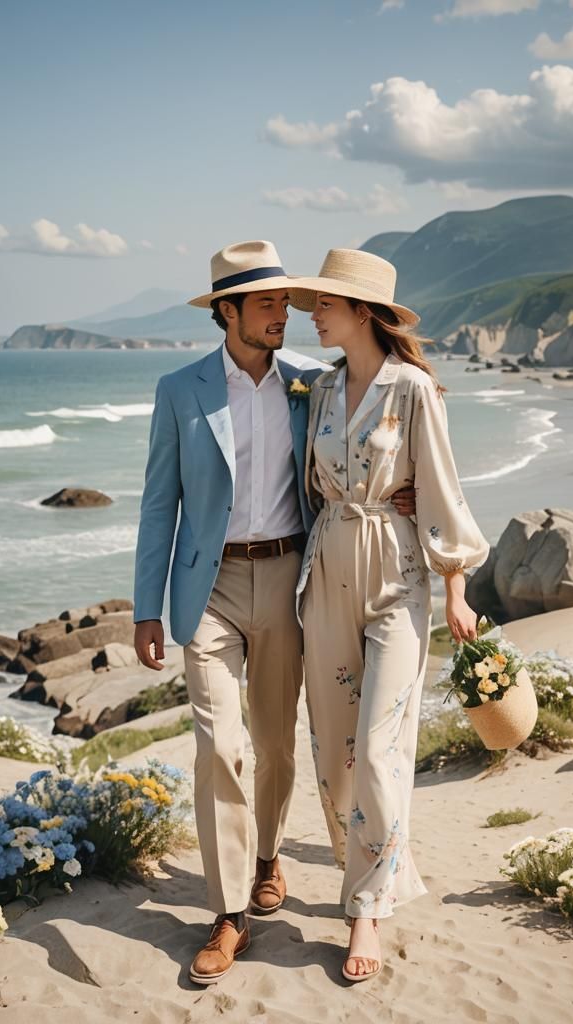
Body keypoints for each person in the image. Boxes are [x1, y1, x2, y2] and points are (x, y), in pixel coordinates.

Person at [132, 240, 415, 985]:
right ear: (226, 312)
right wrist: (144, 608)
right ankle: (229, 914)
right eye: (265, 303)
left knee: (278, 746)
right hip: (210, 589)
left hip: (295, 579)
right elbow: (160, 503)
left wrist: (400, 495)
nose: (281, 314)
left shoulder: (309, 384)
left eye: (286, 302)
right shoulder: (180, 391)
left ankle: (267, 855)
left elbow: (363, 442)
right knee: (219, 745)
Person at [289, 248, 490, 982]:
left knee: (377, 748)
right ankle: (377, 856)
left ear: (364, 312)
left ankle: (365, 910)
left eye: (327, 304)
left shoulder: (413, 390)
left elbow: (440, 485)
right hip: (329, 562)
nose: (315, 314)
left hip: (397, 573)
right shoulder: (320, 389)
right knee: (334, 748)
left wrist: (457, 587)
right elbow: (306, 486)